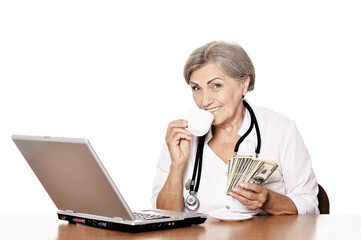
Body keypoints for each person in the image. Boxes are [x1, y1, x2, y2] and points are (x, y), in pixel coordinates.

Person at [151, 41, 319, 215]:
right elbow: (164, 217)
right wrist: (177, 166)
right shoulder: (181, 136)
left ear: (244, 84)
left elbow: (310, 205)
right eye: (196, 88)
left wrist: (268, 201)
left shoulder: (280, 130)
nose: (204, 100)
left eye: (216, 85)